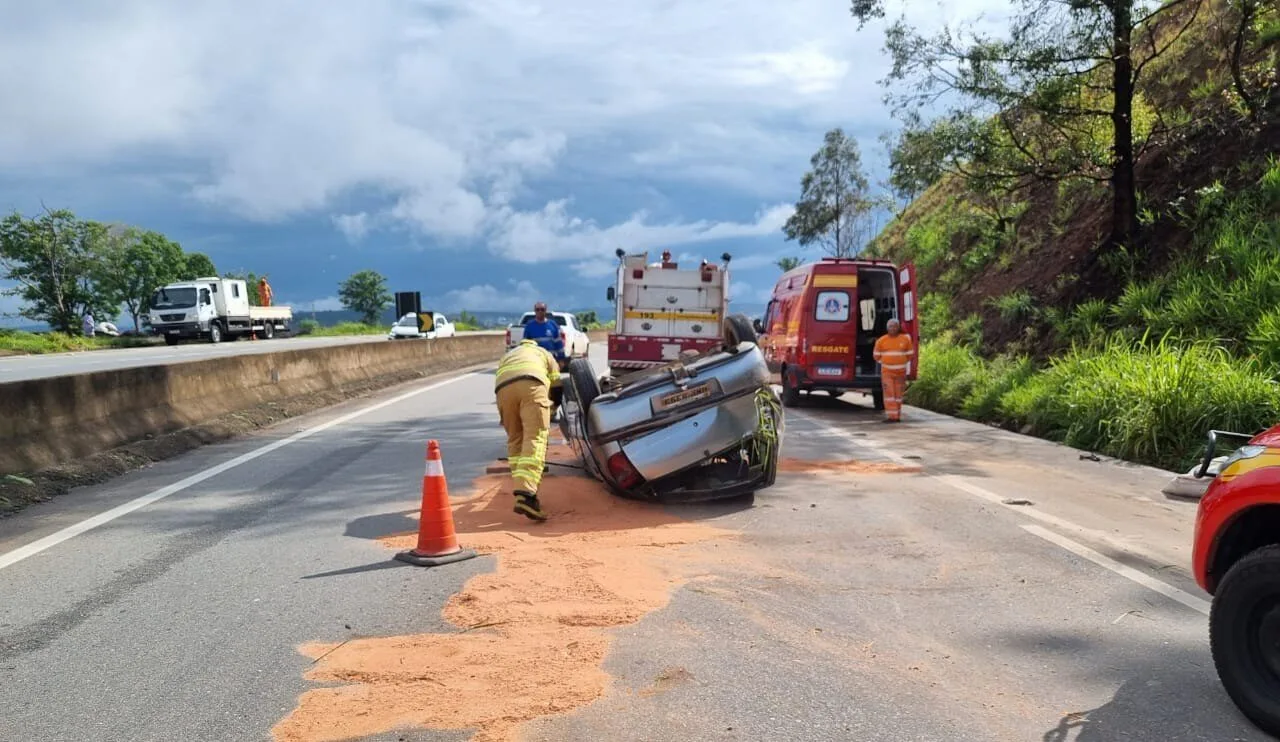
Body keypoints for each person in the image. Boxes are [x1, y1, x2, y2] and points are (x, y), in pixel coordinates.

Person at [495, 338, 563, 521]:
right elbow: (557, 387)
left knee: (516, 439)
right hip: (531, 385)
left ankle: (520, 490)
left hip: (502, 391)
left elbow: (501, 378)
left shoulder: (508, 356)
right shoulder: (545, 354)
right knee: (535, 437)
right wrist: (553, 408)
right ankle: (527, 495)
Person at [521, 302, 567, 420]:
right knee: (539, 386)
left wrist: (561, 359)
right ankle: (539, 412)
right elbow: (525, 344)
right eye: (538, 310)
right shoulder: (530, 327)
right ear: (535, 311)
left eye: (542, 309)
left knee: (555, 388)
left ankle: (552, 412)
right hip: (536, 362)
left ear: (546, 311)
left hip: (551, 362)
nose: (540, 312)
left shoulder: (552, 325)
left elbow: (558, 343)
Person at [872, 319, 915, 423]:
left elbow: (910, 354)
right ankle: (892, 417)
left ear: (898, 327)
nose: (893, 328)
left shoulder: (905, 339)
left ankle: (897, 416)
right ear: (887, 328)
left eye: (895, 326)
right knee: (889, 394)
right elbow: (876, 356)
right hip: (887, 372)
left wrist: (900, 362)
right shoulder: (881, 341)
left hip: (901, 372)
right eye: (890, 326)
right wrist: (888, 362)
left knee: (898, 395)